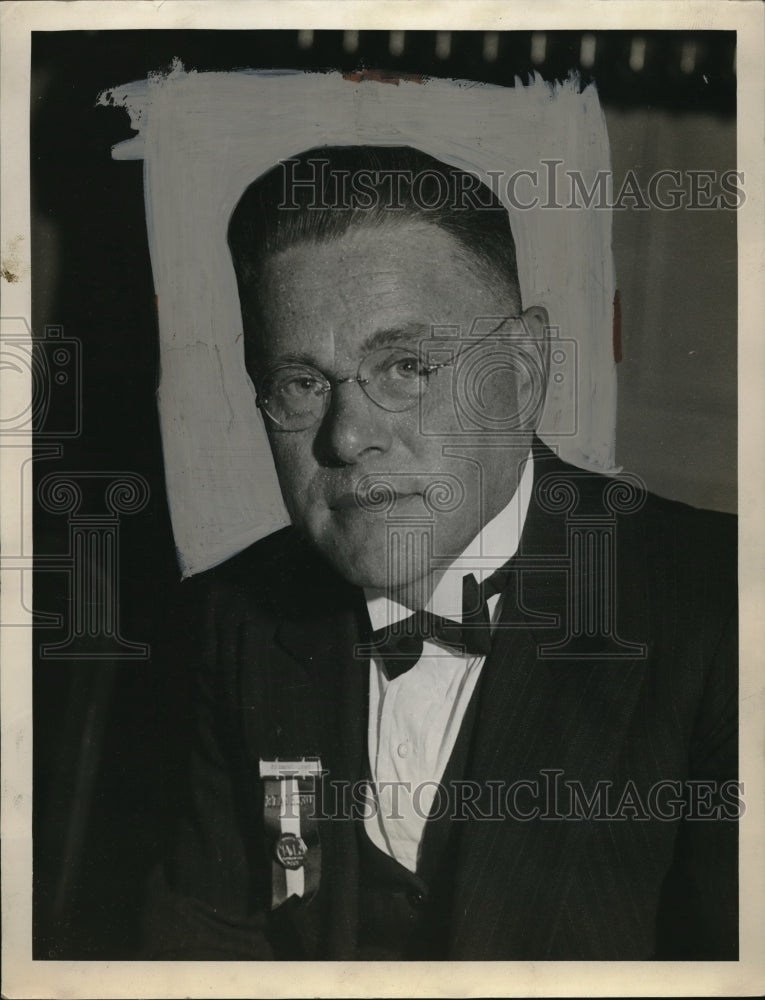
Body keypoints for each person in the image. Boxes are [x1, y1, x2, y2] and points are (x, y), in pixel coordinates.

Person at [143, 146, 738, 961]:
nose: (348, 437)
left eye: (406, 366)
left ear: (522, 372)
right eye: (299, 384)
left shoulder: (724, 606)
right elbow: (203, 949)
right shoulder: (230, 619)